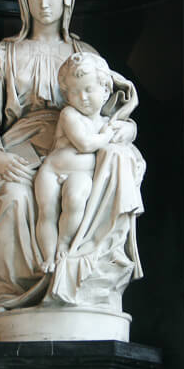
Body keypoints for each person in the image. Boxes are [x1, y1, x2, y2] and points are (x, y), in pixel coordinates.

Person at [0, 0, 143, 317]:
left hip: (75, 151)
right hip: (18, 151)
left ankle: (76, 277)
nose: (45, 3)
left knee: (97, 184)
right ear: (24, 0)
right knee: (13, 199)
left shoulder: (83, 54)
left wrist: (125, 128)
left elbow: (112, 110)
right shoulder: (4, 54)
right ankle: (9, 295)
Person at [35, 53, 123, 274]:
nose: (81, 97)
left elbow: (128, 131)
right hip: (52, 171)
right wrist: (106, 136)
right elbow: (84, 144)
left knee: (75, 201)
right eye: (74, 92)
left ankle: (64, 244)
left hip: (80, 175)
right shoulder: (69, 114)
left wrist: (125, 130)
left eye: (88, 90)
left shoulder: (107, 122)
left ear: (105, 91)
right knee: (47, 212)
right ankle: (48, 256)